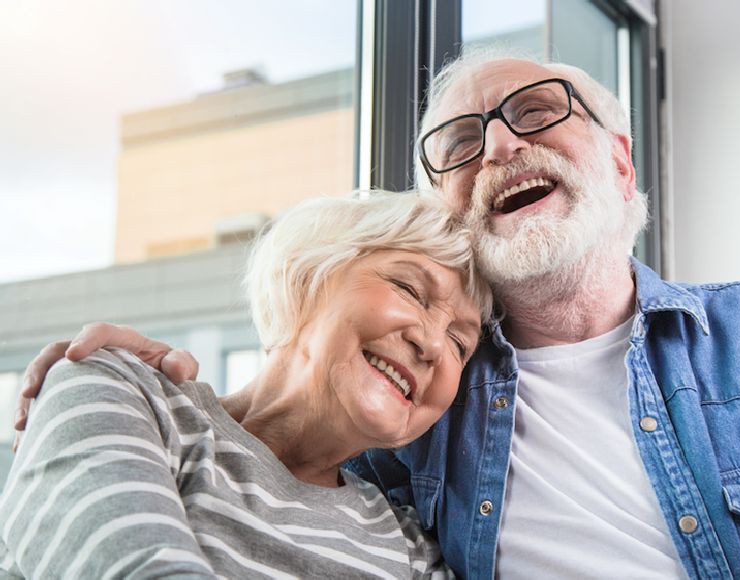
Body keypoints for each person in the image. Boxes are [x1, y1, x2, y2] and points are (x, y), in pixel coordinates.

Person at [14, 50, 740, 579]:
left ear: (619, 160)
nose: (500, 146)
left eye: (537, 113)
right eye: (462, 143)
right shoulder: (410, 442)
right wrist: (126, 379)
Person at [1, 190, 492, 578]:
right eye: (409, 289)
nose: (431, 344)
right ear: (308, 278)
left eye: (459, 343)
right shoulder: (117, 388)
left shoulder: (411, 554)